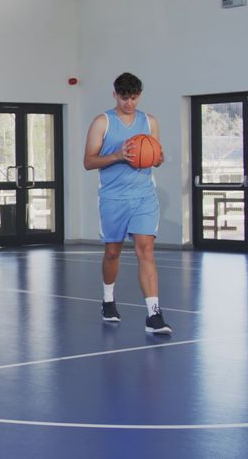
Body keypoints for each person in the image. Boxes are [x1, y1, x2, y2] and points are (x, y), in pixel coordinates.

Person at [83, 72, 171, 335]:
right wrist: (118, 155)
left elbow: (156, 155)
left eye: (133, 97)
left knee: (146, 250)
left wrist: (155, 158)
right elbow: (89, 161)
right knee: (112, 252)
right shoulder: (102, 123)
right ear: (115, 95)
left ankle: (154, 315)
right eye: (124, 97)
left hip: (144, 196)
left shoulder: (149, 122)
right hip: (113, 198)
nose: (129, 103)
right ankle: (108, 300)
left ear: (139, 96)